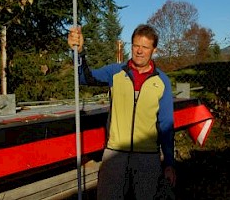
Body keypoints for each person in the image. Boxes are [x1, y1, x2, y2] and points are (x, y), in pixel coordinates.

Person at [68, 24, 176, 199]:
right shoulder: (115, 72)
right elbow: (83, 78)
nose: (139, 51)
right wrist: (78, 52)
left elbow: (166, 125)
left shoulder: (162, 81)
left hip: (148, 157)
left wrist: (169, 163)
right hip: (115, 154)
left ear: (154, 50)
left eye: (145, 47)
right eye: (135, 45)